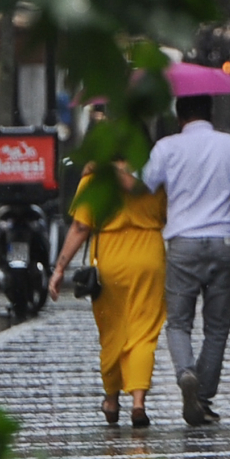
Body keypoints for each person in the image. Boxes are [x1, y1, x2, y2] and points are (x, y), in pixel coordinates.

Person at [142, 95, 230, 425]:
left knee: (179, 322)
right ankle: (203, 396)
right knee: (217, 327)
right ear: (210, 113)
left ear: (179, 116)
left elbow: (145, 187)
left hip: (183, 243)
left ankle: (186, 373)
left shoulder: (166, 148)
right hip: (224, 242)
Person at [50, 156, 168, 427]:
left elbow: (81, 227)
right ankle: (138, 402)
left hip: (110, 259)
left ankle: (112, 400)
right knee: (144, 332)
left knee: (112, 331)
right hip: (149, 255)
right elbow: (167, 214)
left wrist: (59, 268)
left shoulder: (94, 178)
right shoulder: (155, 175)